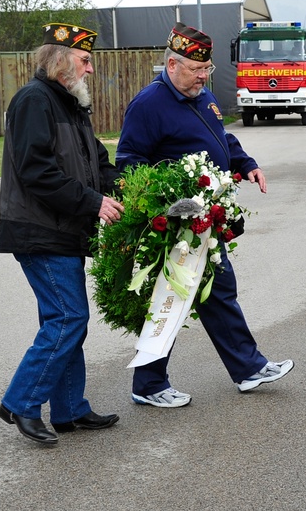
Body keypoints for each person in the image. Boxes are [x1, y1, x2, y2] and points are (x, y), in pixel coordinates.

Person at [117, 22, 294, 408]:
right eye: (197, 70)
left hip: (204, 221)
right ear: (172, 64)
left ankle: (248, 369)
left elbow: (222, 138)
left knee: (218, 293)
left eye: (207, 69)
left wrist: (245, 163)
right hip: (174, 223)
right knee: (171, 299)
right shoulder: (148, 105)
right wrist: (162, 205)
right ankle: (148, 385)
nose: (203, 77)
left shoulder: (202, 98)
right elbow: (128, 164)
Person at [0, 23, 125, 445]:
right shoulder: (34, 101)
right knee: (68, 318)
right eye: (85, 60)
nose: (90, 69)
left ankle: (70, 410)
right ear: (60, 60)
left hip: (63, 230)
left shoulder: (71, 104)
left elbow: (99, 166)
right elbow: (36, 172)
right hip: (39, 230)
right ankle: (21, 402)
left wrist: (137, 185)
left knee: (68, 321)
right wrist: (93, 203)